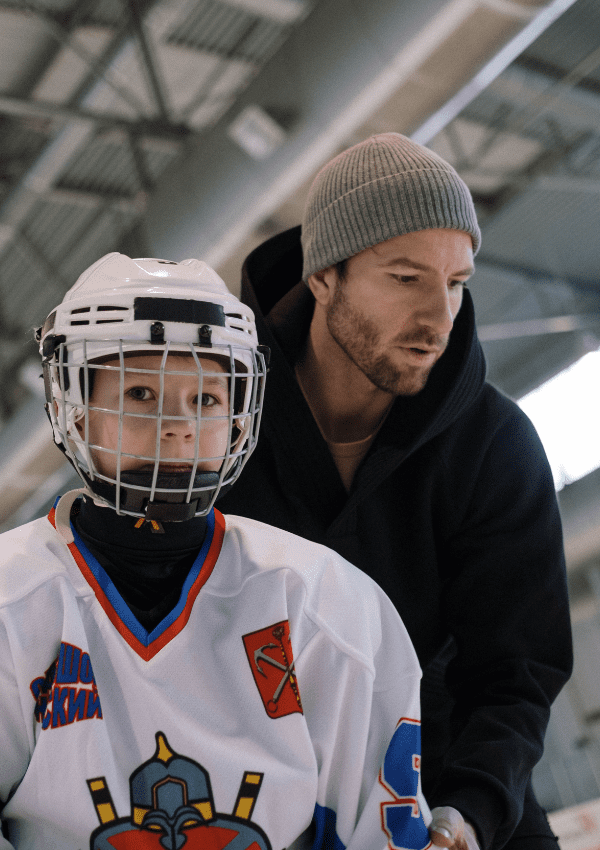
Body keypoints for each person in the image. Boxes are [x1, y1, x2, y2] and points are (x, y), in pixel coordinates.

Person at [0, 253, 434, 850]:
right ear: (73, 407)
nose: (177, 425)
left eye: (205, 398)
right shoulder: (10, 601)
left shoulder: (325, 605)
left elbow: (378, 830)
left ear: (238, 412)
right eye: (140, 391)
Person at [218, 133, 573, 850]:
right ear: (325, 276)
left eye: (456, 281)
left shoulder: (494, 446)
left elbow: (514, 673)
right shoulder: (215, 427)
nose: (438, 317)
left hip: (447, 793)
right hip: (251, 799)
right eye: (406, 278)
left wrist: (465, 812)